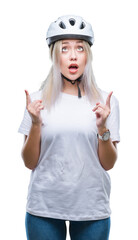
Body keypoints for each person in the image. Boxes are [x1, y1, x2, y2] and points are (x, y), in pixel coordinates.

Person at [18, 15, 120, 240]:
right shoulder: (37, 101)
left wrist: (103, 127)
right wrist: (35, 123)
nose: (73, 55)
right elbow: (29, 162)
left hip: (92, 208)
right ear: (55, 56)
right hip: (44, 208)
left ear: (87, 56)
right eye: (65, 48)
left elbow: (109, 163)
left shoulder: (105, 102)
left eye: (80, 48)